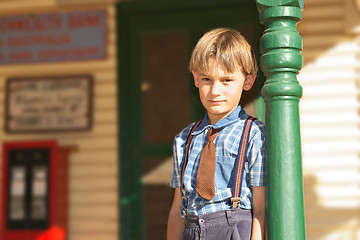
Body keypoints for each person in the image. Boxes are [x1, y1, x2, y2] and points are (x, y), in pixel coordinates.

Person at [167, 28, 265, 240]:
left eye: (226, 80)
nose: (215, 91)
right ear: (195, 78)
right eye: (207, 80)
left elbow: (260, 209)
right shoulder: (184, 140)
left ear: (248, 81)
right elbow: (177, 210)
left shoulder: (255, 134)